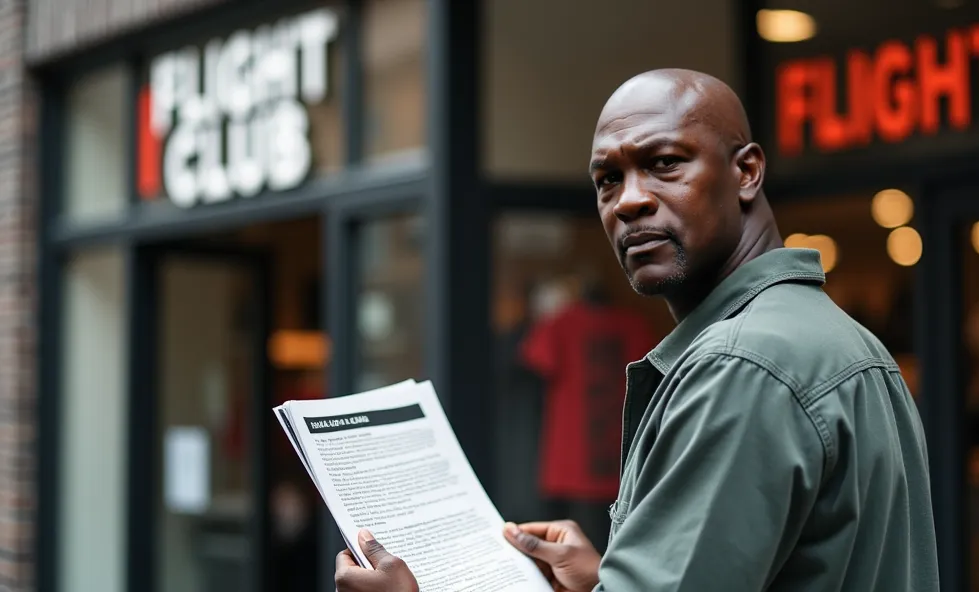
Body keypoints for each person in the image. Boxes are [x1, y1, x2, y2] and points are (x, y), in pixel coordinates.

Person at [333, 69, 940, 591]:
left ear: (747, 172)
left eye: (664, 163)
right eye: (607, 180)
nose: (628, 202)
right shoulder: (842, 341)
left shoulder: (741, 363)